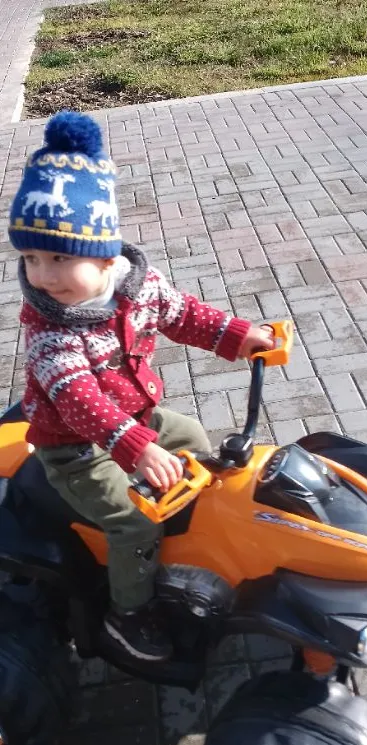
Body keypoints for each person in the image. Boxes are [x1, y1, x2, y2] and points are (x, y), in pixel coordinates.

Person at [8, 110, 274, 662]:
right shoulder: (48, 329)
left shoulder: (138, 286)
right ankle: (129, 613)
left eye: (59, 256)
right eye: (30, 258)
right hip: (76, 451)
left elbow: (184, 315)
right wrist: (135, 448)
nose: (42, 275)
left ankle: (188, 539)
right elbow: (79, 402)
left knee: (195, 436)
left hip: (140, 417)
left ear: (106, 255)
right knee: (131, 525)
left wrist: (239, 336)